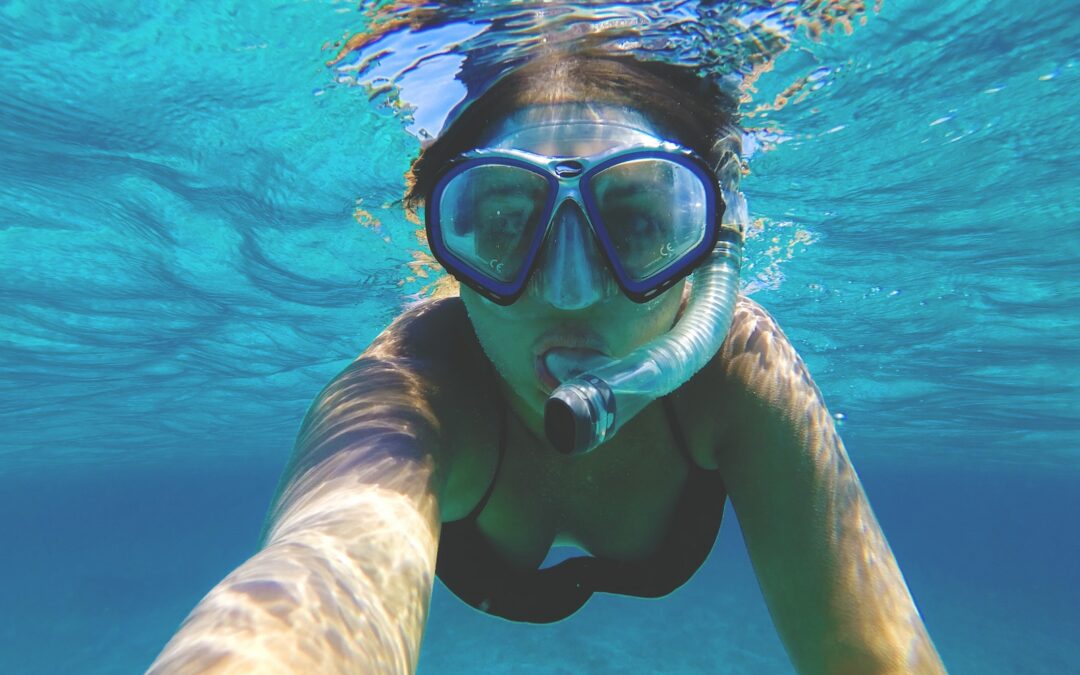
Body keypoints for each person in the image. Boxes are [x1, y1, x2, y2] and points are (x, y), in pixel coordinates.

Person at [151, 55, 945, 674]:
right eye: (501, 221)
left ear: (712, 247)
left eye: (638, 222)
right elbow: (321, 561)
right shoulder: (409, 392)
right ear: (448, 247)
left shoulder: (737, 370)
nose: (569, 291)